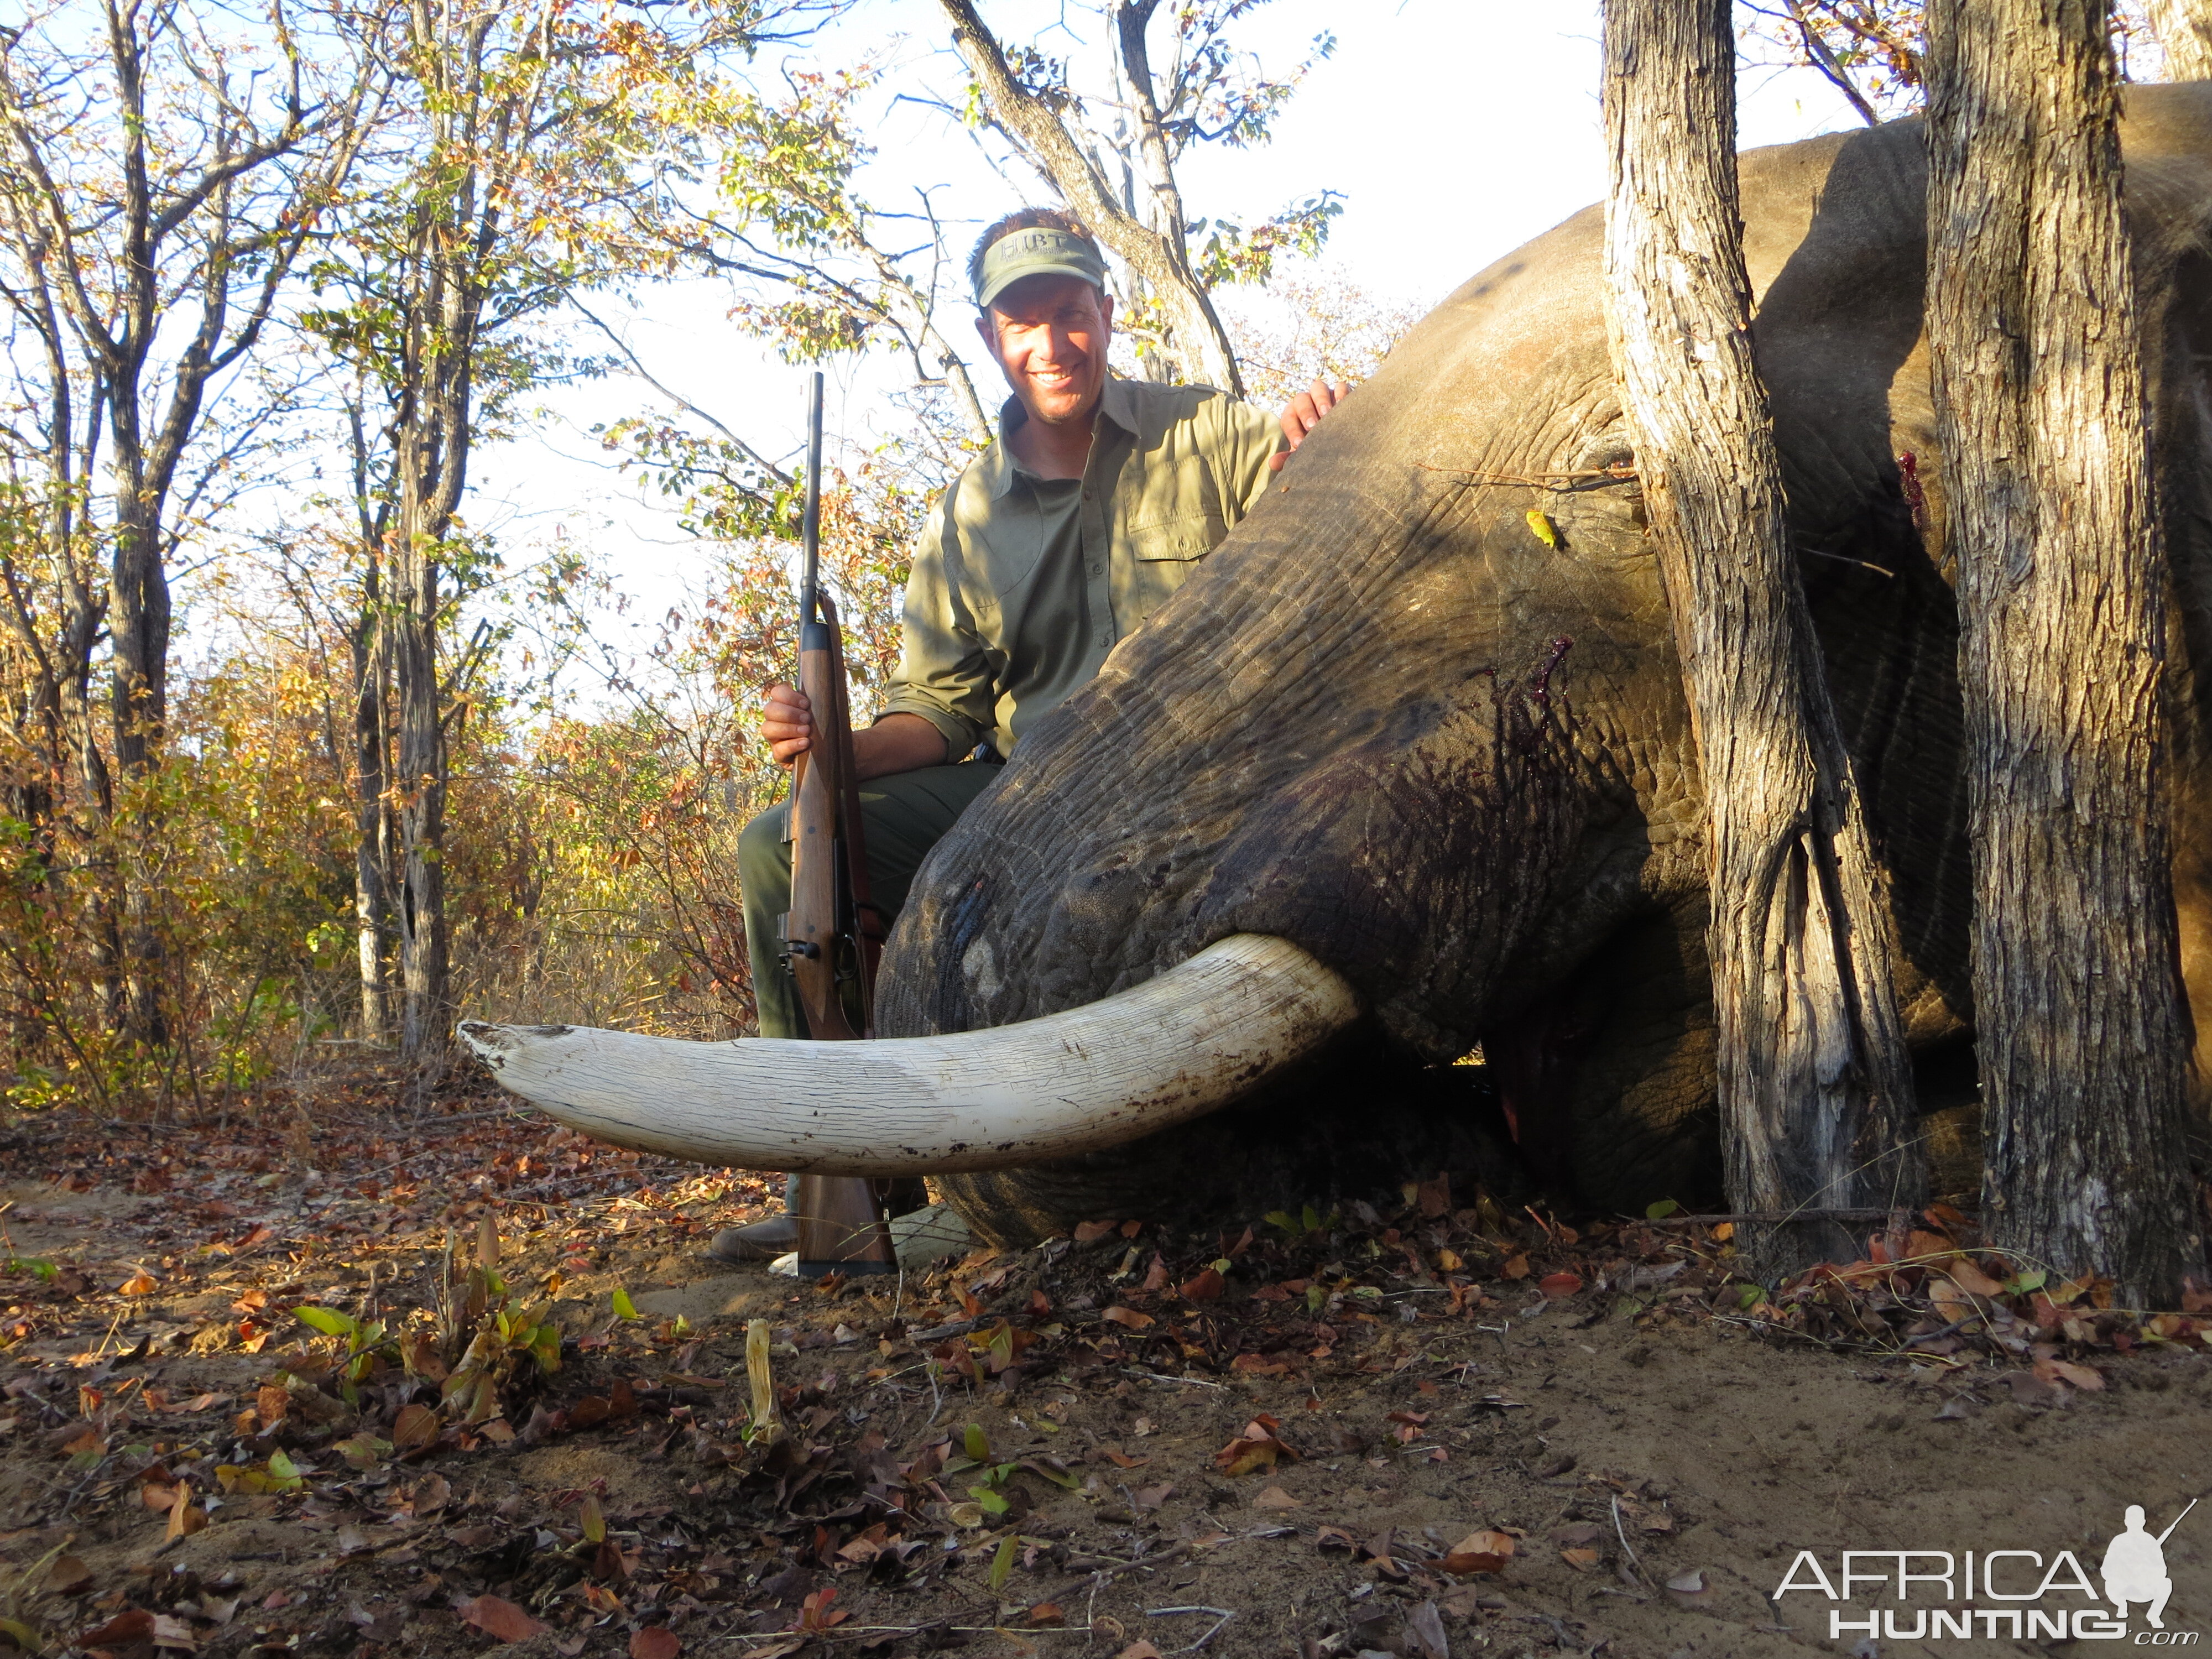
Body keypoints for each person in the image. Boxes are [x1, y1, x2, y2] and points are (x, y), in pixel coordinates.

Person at [712, 207, 1345, 1261]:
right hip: (1027, 796)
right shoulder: (965, 519)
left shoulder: (1215, 434)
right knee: (777, 844)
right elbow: (941, 717)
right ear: (991, 338)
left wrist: (1328, 437)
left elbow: (1309, 526)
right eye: (1024, 325)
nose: (1053, 345)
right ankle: (848, 1173)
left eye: (1070, 313)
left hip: (1201, 778)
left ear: (1106, 310)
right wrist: (834, 751)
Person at [2102, 1504, 2175, 1629]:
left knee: (2166, 1583)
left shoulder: (2151, 1542)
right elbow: (2106, 1570)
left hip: (2144, 1589)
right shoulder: (2118, 1541)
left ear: (2143, 1522)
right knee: (2110, 1583)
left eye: (2137, 1520)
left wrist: (2146, 1570)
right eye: (2131, 1519)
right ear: (2126, 1522)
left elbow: (2162, 1571)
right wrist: (2124, 1571)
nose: (2134, 1523)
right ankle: (2121, 1605)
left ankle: (2154, 1615)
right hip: (2123, 1589)